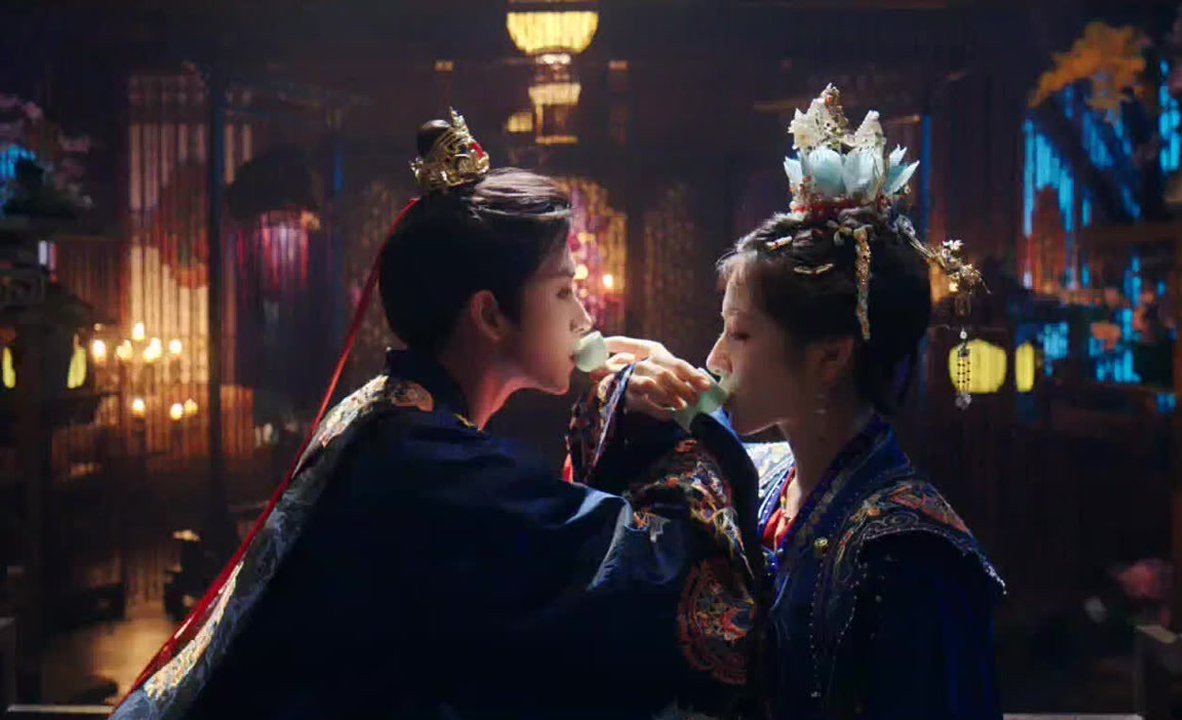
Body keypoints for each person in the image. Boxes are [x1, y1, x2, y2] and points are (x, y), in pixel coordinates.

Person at [112, 112, 759, 720]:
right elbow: (659, 594)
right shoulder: (431, 464)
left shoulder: (395, 416)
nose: (583, 316)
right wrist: (685, 420)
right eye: (563, 290)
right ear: (489, 314)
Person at [705, 85, 1004, 718]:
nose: (715, 359)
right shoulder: (766, 478)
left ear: (831, 357)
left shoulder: (908, 554)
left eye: (740, 335)